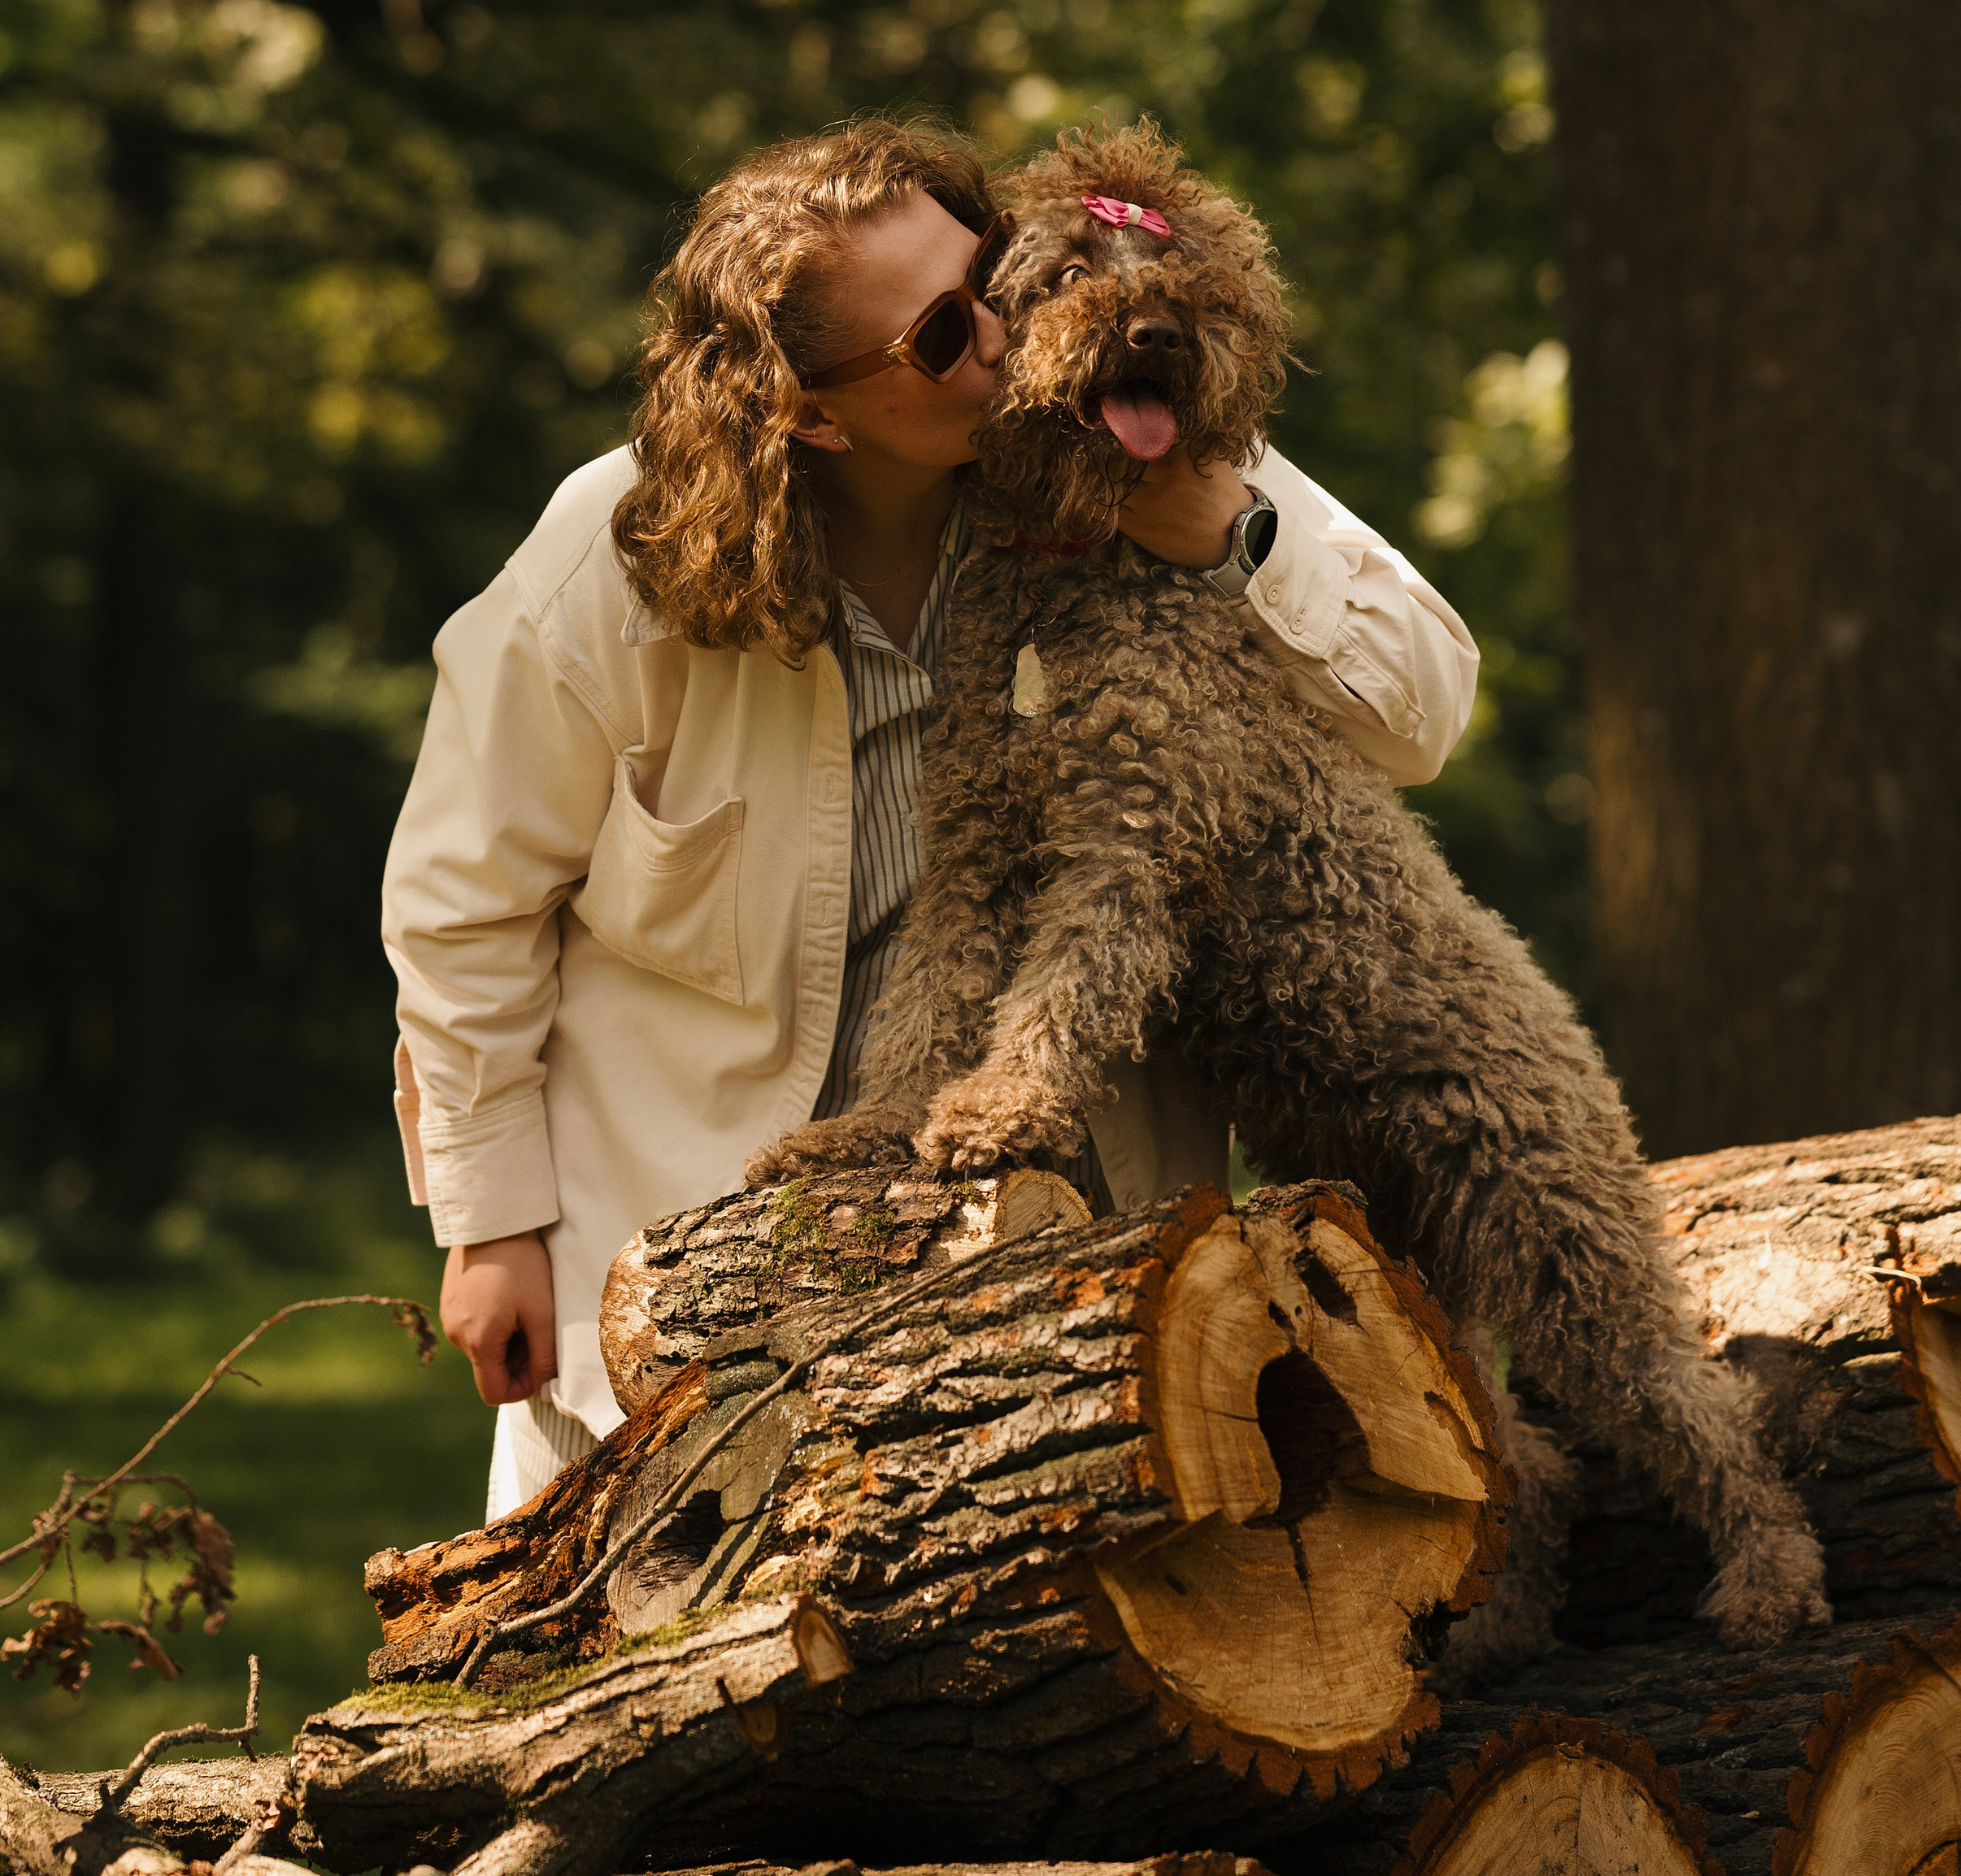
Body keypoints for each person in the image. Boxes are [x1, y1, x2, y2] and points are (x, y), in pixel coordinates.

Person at [381, 119, 1481, 1518]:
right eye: (947, 334)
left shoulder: (1136, 443)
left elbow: (1427, 713)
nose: (1019, 337)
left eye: (1004, 282)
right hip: (689, 1255)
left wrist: (1227, 529)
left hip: (1066, 1238)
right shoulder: (610, 563)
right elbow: (462, 906)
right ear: (812, 412)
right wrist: (492, 1229)